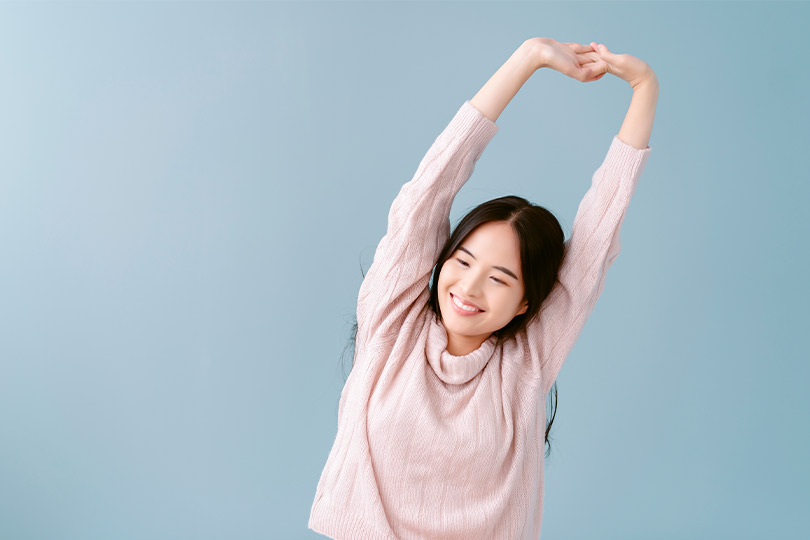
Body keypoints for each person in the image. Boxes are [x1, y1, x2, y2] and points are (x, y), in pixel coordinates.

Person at [309, 37, 658, 540]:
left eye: (499, 278)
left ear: (525, 301)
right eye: (463, 260)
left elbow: (597, 241)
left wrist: (645, 87)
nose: (469, 287)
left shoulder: (526, 362)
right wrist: (529, 57)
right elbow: (427, 193)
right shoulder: (392, 327)